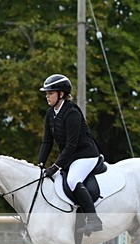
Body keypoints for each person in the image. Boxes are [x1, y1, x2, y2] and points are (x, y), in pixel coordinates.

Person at [37, 74, 103, 234]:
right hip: (71, 156)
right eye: (46, 93)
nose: (47, 96)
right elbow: (47, 142)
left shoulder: (72, 112)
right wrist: (40, 164)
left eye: (50, 93)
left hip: (86, 155)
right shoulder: (50, 113)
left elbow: (71, 145)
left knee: (73, 180)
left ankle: (94, 220)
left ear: (61, 94)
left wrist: (55, 166)